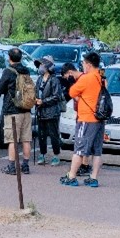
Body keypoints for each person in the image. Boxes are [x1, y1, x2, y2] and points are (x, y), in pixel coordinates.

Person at [60, 51, 106, 188]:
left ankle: (72, 175)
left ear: (88, 64)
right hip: (99, 117)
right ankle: (93, 177)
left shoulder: (87, 78)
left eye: (84, 64)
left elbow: (72, 92)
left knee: (79, 149)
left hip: (86, 117)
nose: (83, 66)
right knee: (97, 151)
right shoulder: (101, 76)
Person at [0, 47, 34, 175]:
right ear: (21, 58)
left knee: (12, 140)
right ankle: (25, 165)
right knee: (26, 139)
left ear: (9, 58)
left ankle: (12, 166)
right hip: (26, 109)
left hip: (12, 110)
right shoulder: (26, 71)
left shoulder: (8, 71)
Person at [34, 57, 64, 166]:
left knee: (53, 134)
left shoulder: (54, 80)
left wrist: (43, 101)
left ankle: (56, 155)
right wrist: (35, 100)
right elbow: (36, 92)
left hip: (52, 112)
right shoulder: (39, 79)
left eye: (42, 65)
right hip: (41, 111)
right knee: (41, 134)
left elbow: (56, 96)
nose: (40, 67)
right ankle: (42, 154)